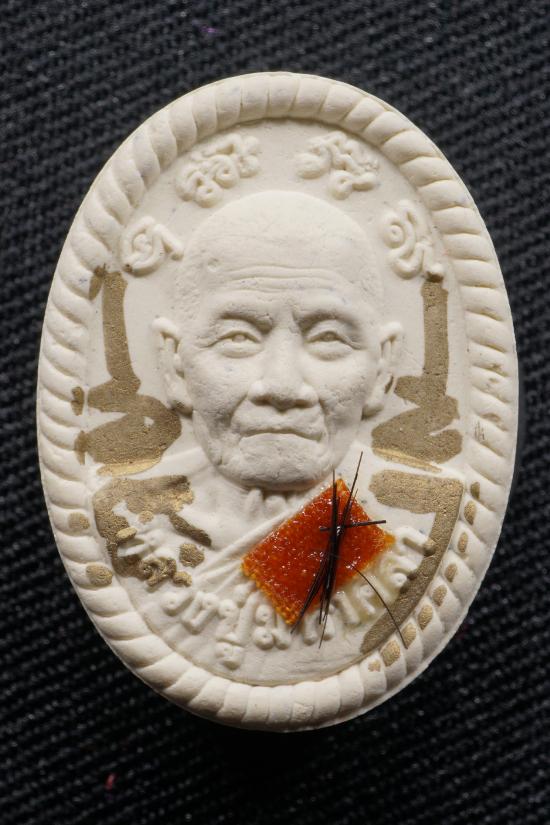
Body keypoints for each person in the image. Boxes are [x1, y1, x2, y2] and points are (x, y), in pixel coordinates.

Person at [117, 191, 428, 680]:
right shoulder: (121, 517)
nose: (282, 386)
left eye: (328, 338)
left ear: (383, 367)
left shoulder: (422, 515)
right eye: (237, 337)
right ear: (174, 363)